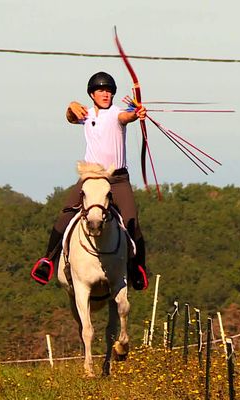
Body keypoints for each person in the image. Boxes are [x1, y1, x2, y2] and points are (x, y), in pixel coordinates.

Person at [30, 71, 149, 290]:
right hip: (91, 177)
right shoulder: (86, 114)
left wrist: (136, 112)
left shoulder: (116, 114)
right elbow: (71, 116)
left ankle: (137, 268)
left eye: (109, 91)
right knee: (66, 214)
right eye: (100, 91)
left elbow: (127, 116)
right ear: (92, 94)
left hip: (117, 180)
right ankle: (47, 260)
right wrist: (71, 105)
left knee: (131, 220)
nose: (105, 94)